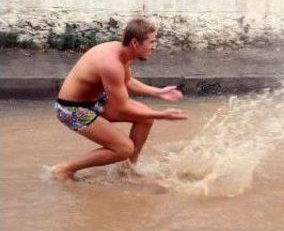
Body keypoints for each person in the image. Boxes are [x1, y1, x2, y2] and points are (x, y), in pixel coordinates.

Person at [52, 18, 188, 181]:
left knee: (146, 116)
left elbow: (127, 81)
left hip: (94, 101)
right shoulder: (111, 64)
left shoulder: (124, 52)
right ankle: (65, 169)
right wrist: (163, 115)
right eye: (151, 42)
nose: (154, 47)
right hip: (71, 109)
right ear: (135, 43)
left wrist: (158, 92)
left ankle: (128, 168)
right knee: (124, 148)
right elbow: (122, 108)